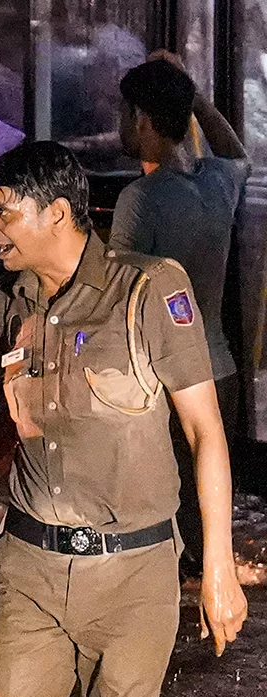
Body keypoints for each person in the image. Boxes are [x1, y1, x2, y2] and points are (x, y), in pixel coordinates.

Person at [0, 142, 248, 697]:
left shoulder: (149, 288)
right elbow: (19, 418)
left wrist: (220, 568)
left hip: (134, 580)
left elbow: (205, 431)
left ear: (57, 212)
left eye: (0, 212)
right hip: (30, 571)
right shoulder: (9, 302)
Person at [111, 52, 250, 577]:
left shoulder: (140, 200)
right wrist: (190, 95)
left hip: (162, 384)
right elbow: (238, 153)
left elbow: (117, 297)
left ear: (141, 118)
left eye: (125, 113)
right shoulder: (218, 183)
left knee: (161, 542)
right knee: (203, 528)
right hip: (220, 371)